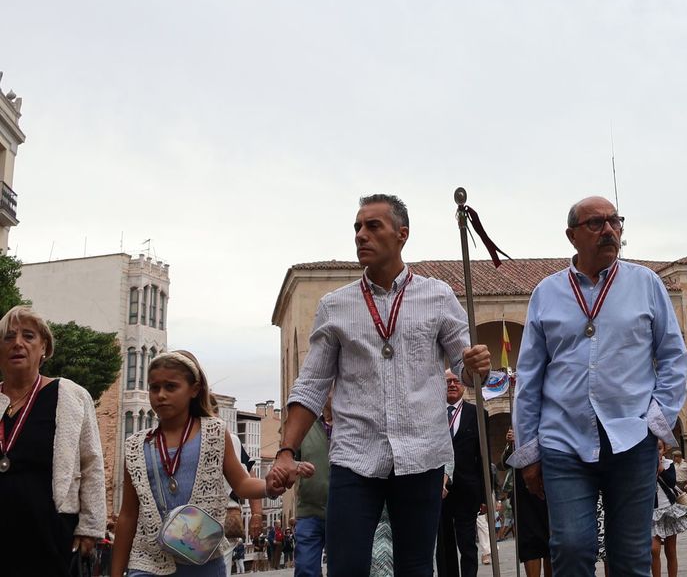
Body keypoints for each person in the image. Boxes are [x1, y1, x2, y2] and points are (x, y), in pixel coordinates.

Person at [268, 194, 493, 577]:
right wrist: (286, 451)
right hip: (355, 457)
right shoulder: (334, 306)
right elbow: (311, 386)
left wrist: (476, 368)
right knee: (345, 567)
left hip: (421, 454)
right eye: (357, 227)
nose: (361, 235)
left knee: (415, 567)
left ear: (402, 234)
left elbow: (467, 369)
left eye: (373, 226)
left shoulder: (437, 297)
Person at [506, 196, 687, 577]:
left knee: (632, 555)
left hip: (632, 437)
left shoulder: (646, 284)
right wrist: (528, 454)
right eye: (596, 223)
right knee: (570, 547)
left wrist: (657, 421)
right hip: (564, 441)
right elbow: (529, 377)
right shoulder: (546, 294)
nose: (608, 230)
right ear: (571, 235)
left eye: (614, 221)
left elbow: (673, 356)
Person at [111, 350, 296, 577]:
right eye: (154, 387)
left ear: (194, 389)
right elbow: (128, 515)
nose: (161, 395)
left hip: (203, 560)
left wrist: (270, 485)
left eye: (171, 387)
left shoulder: (214, 433)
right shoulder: (135, 446)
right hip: (149, 563)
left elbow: (241, 483)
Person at [0, 305, 106, 575]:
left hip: (51, 534)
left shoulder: (70, 395)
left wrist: (90, 527)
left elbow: (91, 463)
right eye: (8, 337)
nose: (17, 343)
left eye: (28, 336)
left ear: (44, 347)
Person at [439, 371, 486, 577]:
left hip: (467, 490)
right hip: (439, 490)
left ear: (463, 385)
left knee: (467, 544)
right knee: (444, 544)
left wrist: (485, 496)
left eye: (456, 381)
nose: (452, 384)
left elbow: (483, 457)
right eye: (447, 381)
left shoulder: (477, 414)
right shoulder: (432, 415)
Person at [504, 428, 551, 577]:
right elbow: (505, 463)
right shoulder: (518, 423)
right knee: (529, 539)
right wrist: (511, 444)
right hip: (523, 487)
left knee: (551, 539)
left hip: (549, 477)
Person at [649, 442, 687, 577]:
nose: (657, 451)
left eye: (659, 448)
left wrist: (661, 469)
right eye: (654, 448)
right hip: (652, 512)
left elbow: (672, 482)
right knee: (654, 550)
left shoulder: (668, 464)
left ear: (665, 450)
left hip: (668, 509)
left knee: (671, 550)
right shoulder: (644, 464)